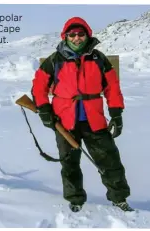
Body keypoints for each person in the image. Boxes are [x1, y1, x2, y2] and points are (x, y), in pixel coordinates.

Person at [31, 16, 133, 213]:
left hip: (94, 120)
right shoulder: (54, 60)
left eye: (81, 34)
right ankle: (75, 199)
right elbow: (38, 87)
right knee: (69, 164)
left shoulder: (99, 58)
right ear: (66, 36)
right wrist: (44, 110)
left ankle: (119, 198)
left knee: (110, 162)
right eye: (72, 34)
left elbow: (112, 87)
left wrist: (116, 113)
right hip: (64, 121)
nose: (77, 38)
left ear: (87, 35)